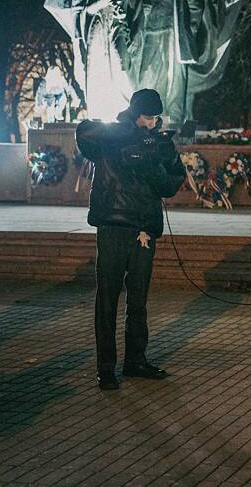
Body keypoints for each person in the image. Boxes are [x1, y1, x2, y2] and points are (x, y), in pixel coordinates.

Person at [76, 89, 186, 390]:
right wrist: (126, 135)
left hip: (144, 227)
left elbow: (173, 182)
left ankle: (135, 360)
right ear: (134, 113)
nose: (151, 123)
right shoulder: (111, 136)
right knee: (108, 298)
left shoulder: (161, 142)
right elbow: (82, 133)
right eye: (146, 117)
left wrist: (151, 164)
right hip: (113, 224)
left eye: (154, 118)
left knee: (138, 299)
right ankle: (106, 366)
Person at [134, 0, 242, 126]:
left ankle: (174, 121)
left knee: (175, 81)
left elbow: (195, 6)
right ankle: (150, 117)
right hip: (150, 35)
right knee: (149, 76)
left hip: (172, 37)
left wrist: (188, 32)